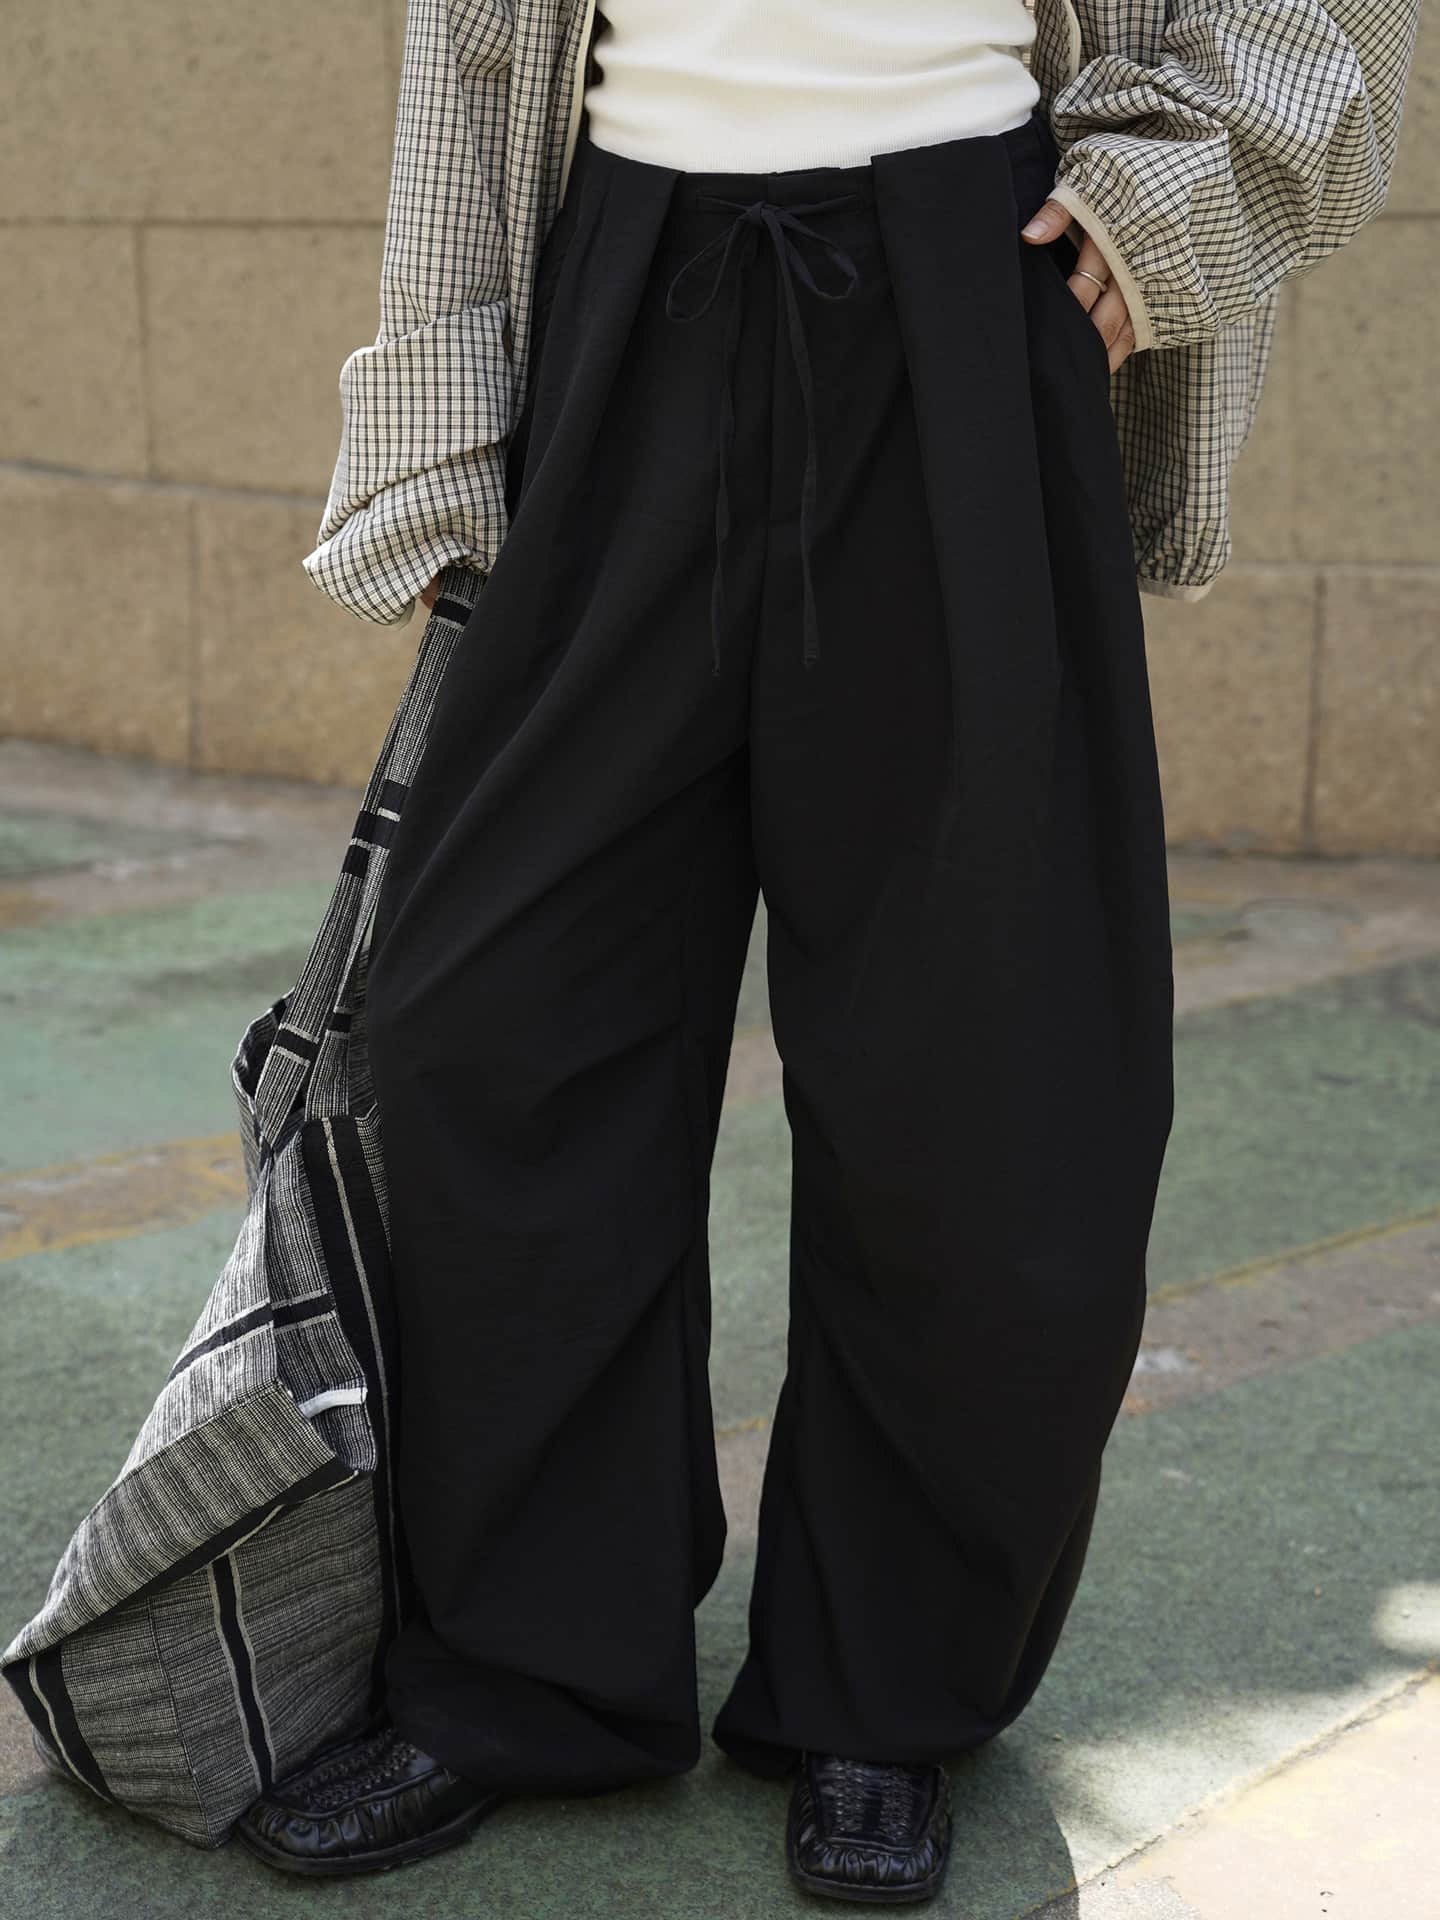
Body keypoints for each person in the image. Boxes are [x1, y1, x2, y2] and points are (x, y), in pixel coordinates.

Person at [235, 0, 1417, 1900]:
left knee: (981, 1067)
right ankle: (529, 1671)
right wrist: (451, 406)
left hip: (971, 283)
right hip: (617, 286)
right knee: (490, 1025)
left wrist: (1174, 192)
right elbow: (468, 53)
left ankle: (884, 1692)